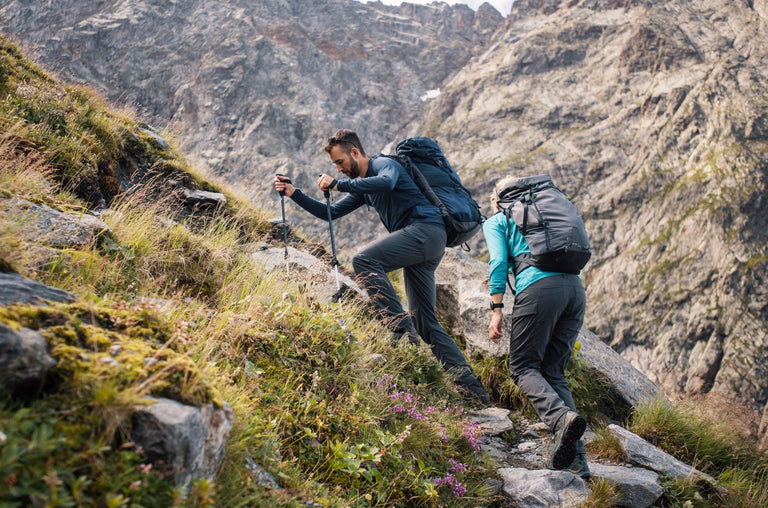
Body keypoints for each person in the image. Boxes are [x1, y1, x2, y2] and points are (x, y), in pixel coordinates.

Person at [274, 129, 490, 405]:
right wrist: (294, 193)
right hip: (425, 241)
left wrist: (338, 184)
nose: (338, 169)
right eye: (335, 166)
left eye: (340, 162)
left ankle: (401, 334)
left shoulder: (383, 164)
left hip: (425, 232)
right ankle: (475, 392)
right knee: (425, 321)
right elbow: (330, 213)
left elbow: (387, 182)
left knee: (364, 260)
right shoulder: (366, 186)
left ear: (354, 152)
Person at [483, 175, 590, 479]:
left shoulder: (497, 219)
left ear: (496, 199)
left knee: (522, 367)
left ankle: (560, 420)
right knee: (553, 371)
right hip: (574, 290)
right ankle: (577, 461)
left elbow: (498, 264)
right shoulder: (546, 212)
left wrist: (497, 309)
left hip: (539, 290)